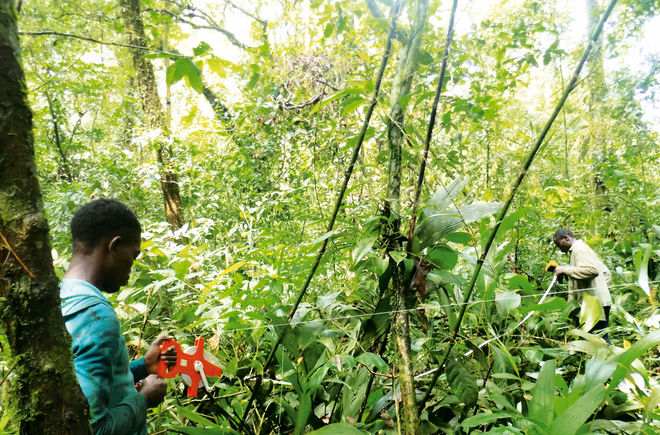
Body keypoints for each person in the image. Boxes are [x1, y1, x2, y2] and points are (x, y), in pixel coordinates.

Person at [60, 199, 177, 434]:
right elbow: (92, 428)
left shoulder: (63, 296)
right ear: (114, 246)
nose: (131, 268)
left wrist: (144, 365)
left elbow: (82, 388)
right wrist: (143, 399)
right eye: (132, 256)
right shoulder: (96, 315)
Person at [552, 228, 612, 341]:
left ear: (566, 238)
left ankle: (614, 358)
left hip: (595, 304)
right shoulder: (577, 250)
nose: (559, 249)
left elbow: (592, 270)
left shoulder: (579, 249)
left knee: (599, 340)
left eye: (558, 244)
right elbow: (605, 272)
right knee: (595, 339)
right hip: (593, 302)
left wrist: (565, 270)